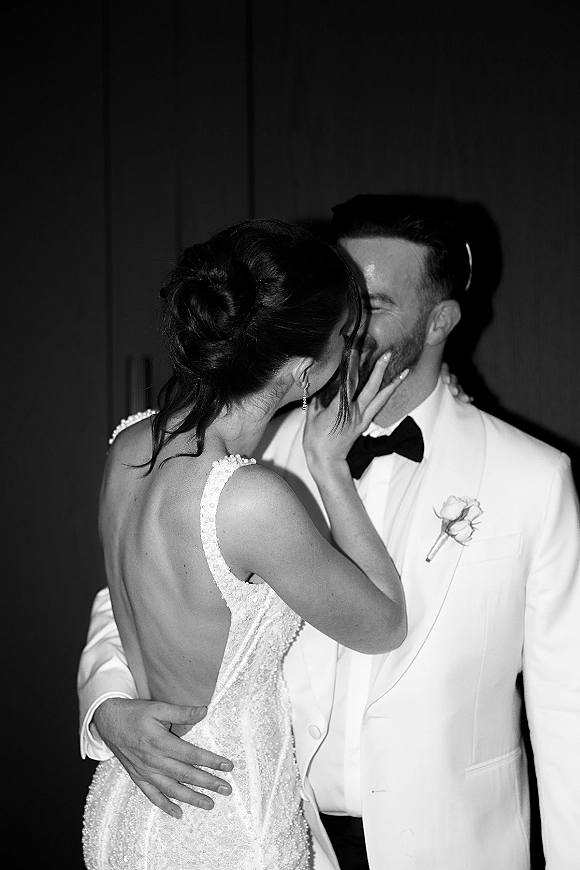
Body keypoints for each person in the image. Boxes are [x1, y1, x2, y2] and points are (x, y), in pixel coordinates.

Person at [78, 197, 580, 870]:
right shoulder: (253, 463)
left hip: (449, 847)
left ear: (440, 320)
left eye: (369, 304)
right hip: (259, 819)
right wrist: (106, 705)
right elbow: (124, 596)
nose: (348, 322)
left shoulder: (534, 478)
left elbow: (567, 710)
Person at [80, 217, 410, 870]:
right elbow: (382, 624)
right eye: (344, 338)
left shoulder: (130, 446)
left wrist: (106, 706)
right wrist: (330, 467)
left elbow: (123, 602)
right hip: (223, 815)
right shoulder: (251, 500)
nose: (351, 352)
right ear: (298, 368)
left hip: (128, 799)